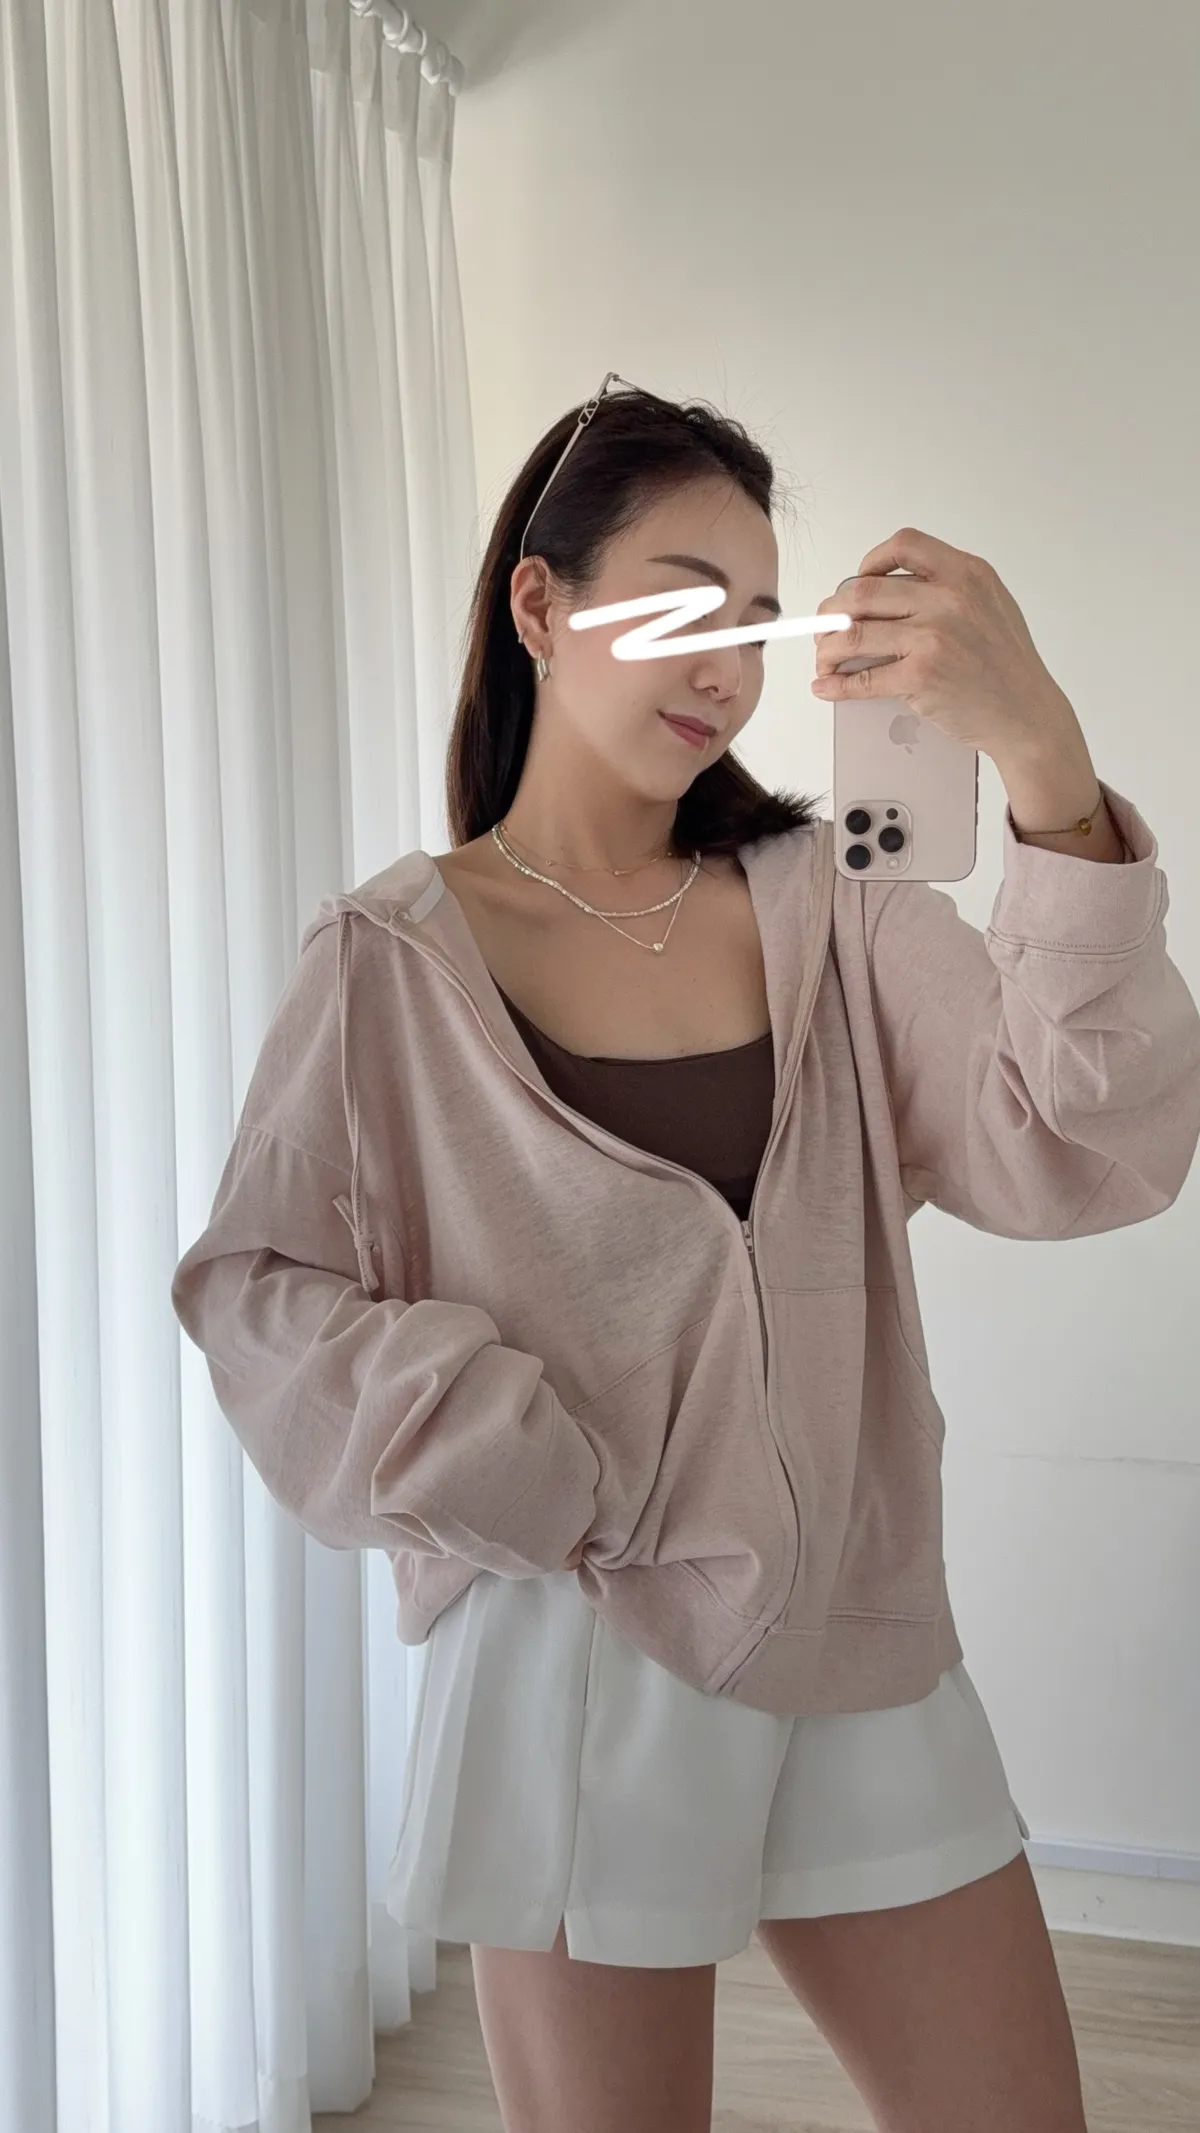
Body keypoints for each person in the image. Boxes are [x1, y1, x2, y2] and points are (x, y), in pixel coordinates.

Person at [172, 376, 1200, 2133]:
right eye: (680, 604)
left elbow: (1084, 1147)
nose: (725, 666)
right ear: (540, 603)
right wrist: (491, 1441)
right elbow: (256, 1289)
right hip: (574, 1653)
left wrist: (1040, 755)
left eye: (758, 619)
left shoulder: (836, 908)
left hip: (862, 1633)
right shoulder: (391, 958)